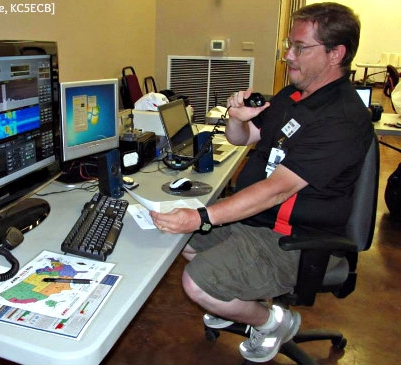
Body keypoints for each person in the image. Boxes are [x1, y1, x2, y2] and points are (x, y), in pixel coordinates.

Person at [150, 2, 374, 363]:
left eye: (300, 47)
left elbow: (278, 188)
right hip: (258, 223)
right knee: (179, 241)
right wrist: (237, 118)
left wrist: (202, 216)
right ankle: (234, 302)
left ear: (336, 54)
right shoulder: (293, 96)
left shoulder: (342, 118)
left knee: (197, 281)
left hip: (293, 238)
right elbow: (244, 138)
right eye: (290, 44)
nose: (288, 55)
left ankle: (273, 321)